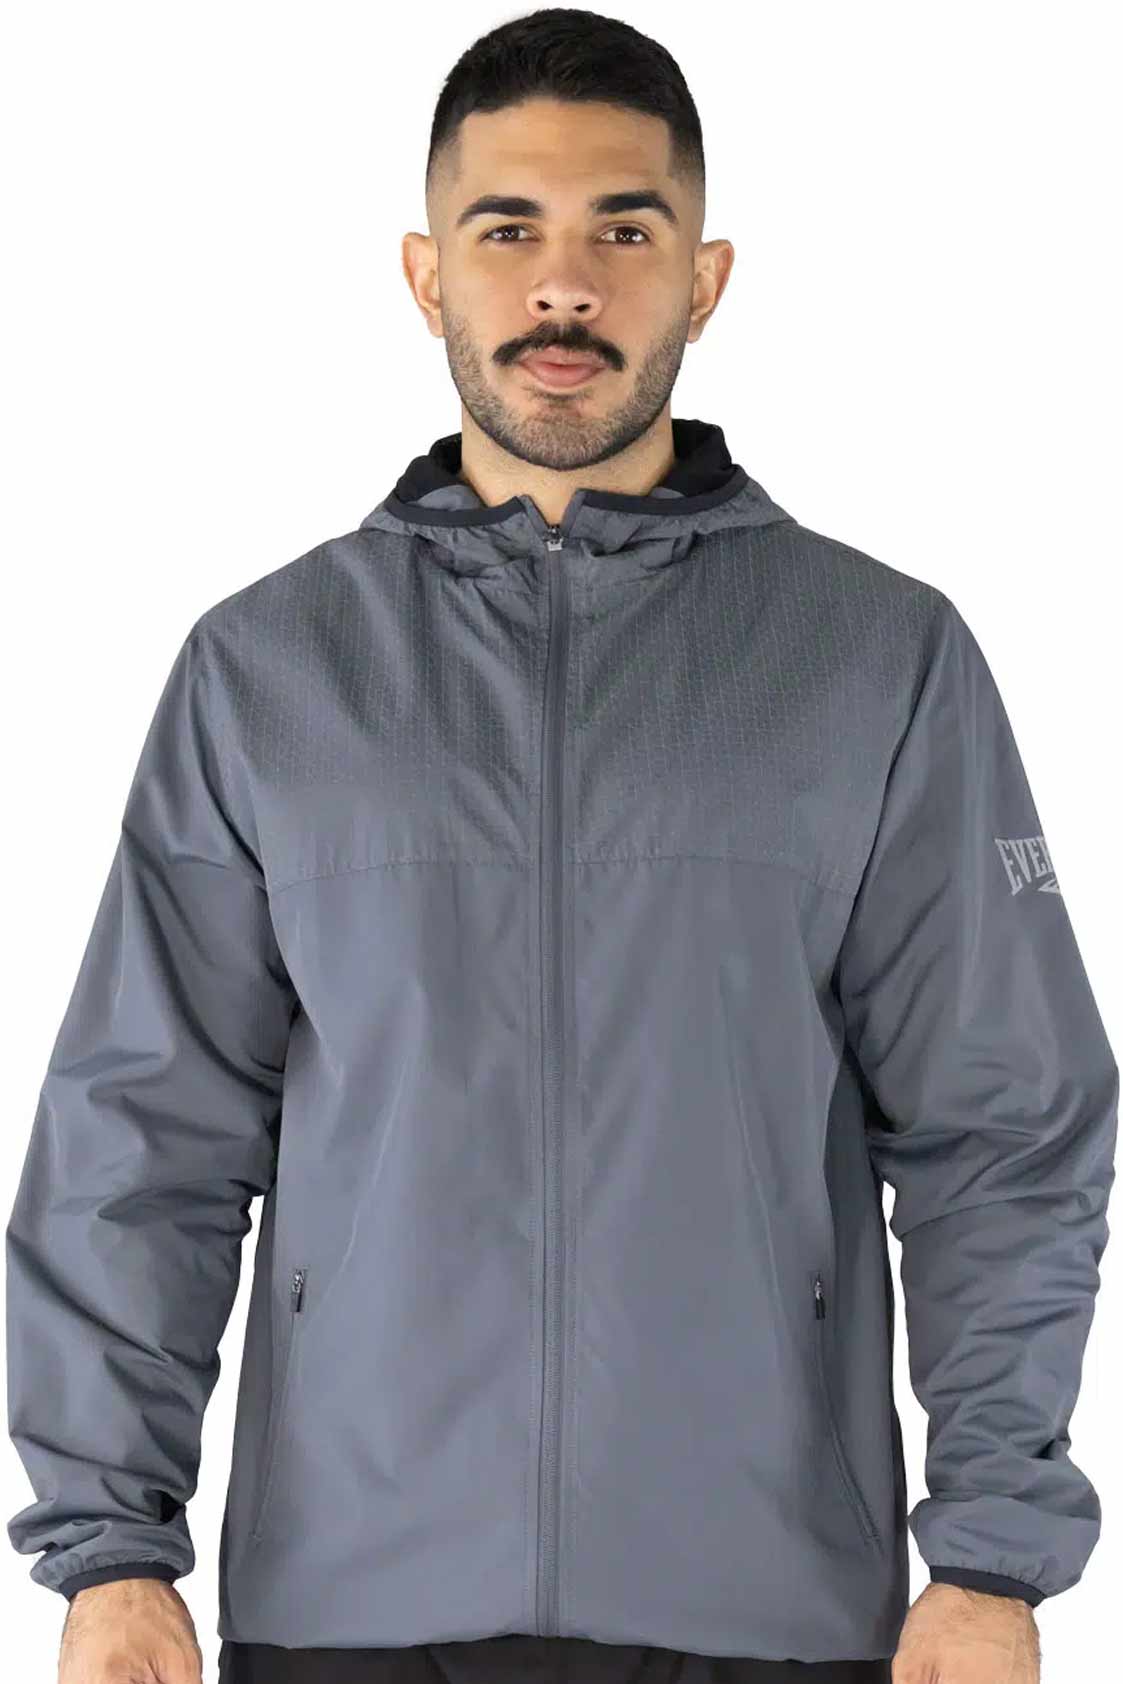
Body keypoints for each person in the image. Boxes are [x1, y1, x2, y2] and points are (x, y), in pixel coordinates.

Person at [6, 9, 1115, 1684]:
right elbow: (141, 1135)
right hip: (353, 1610)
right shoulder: (267, 669)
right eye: (508, 231)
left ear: (708, 278)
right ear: (426, 274)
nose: (565, 287)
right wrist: (109, 1548)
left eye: (625, 231)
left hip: (766, 1608)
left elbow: (1006, 1128)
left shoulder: (877, 659)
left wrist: (991, 1553)